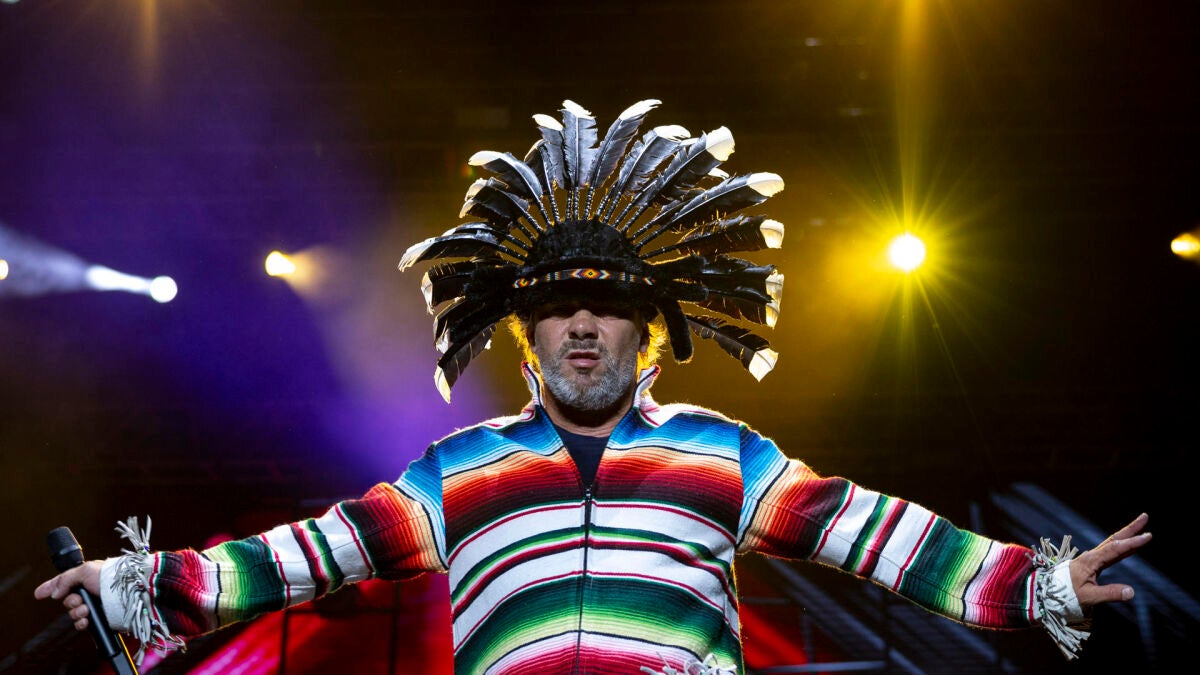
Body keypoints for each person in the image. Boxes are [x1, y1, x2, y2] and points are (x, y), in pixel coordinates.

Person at [36, 99, 1151, 675]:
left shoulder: (723, 453)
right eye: (560, 307)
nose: (582, 323)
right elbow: (310, 553)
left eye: (608, 305)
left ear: (647, 331)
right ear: (525, 336)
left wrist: (1036, 583)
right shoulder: (458, 471)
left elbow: (879, 535)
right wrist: (146, 586)